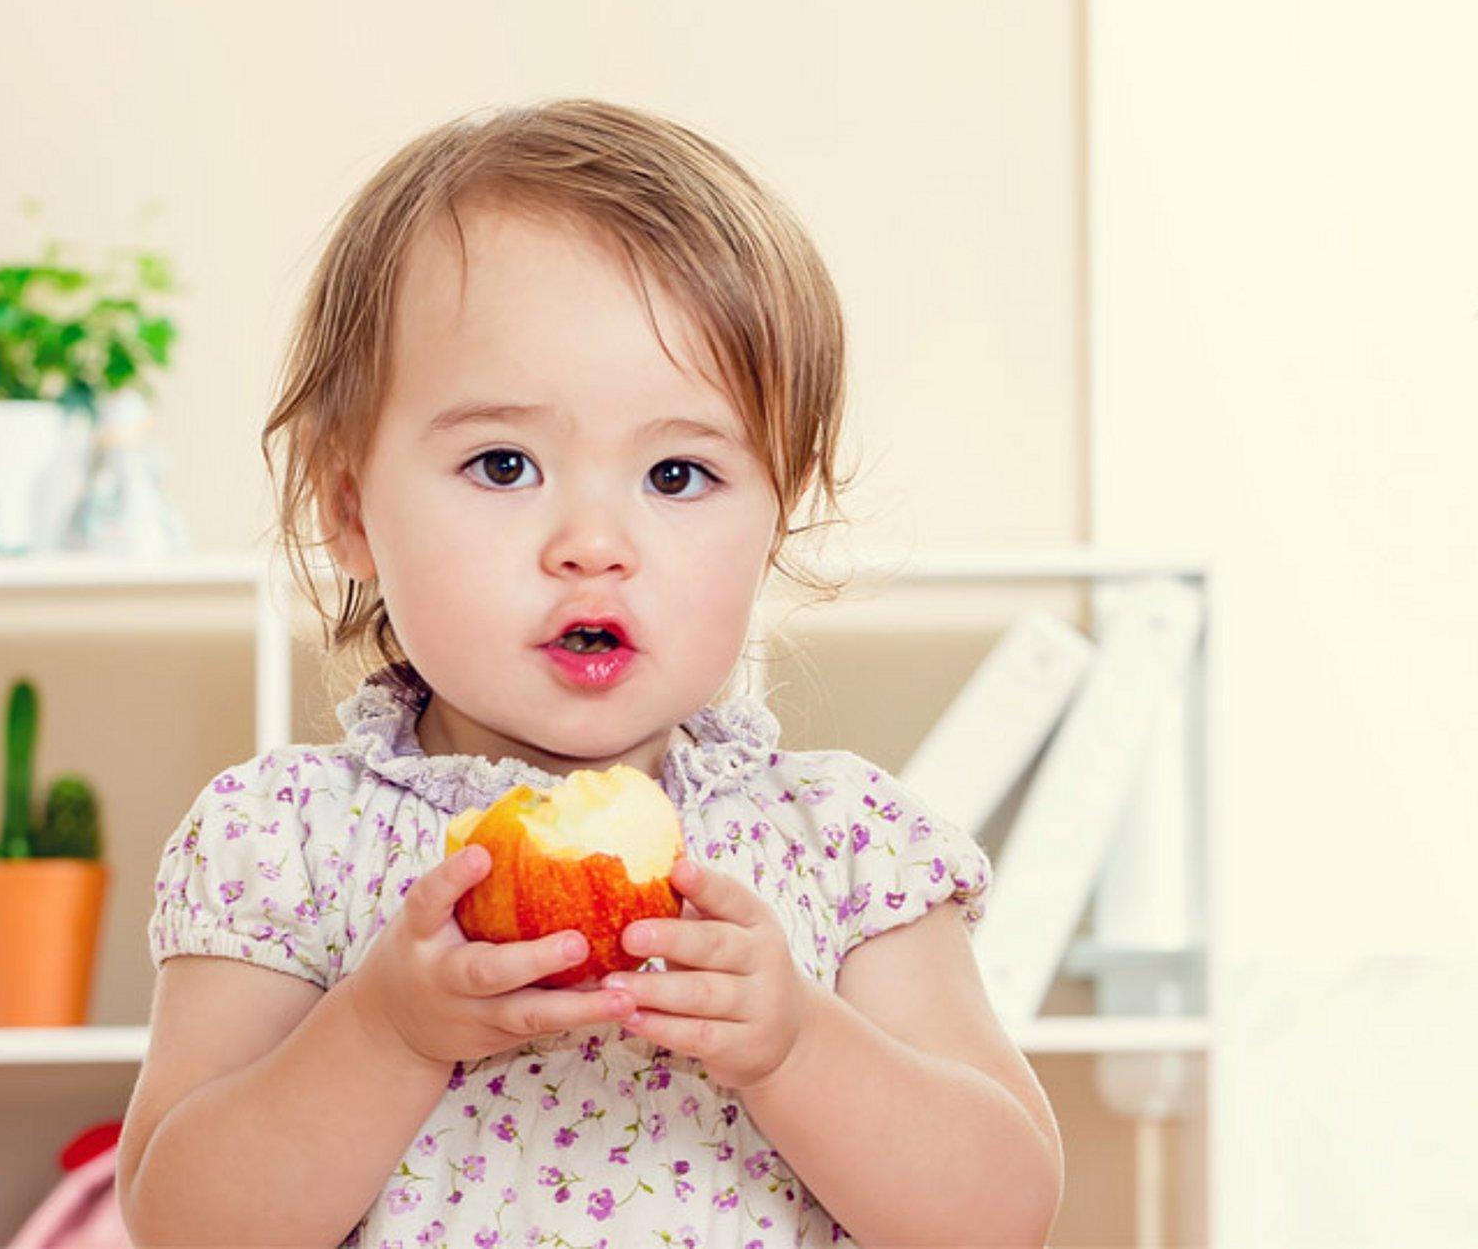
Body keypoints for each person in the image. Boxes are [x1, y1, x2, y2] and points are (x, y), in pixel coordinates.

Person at [116, 99, 1063, 1248]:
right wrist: (384, 1031)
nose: (593, 541)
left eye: (676, 474)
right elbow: (185, 1225)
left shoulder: (842, 841)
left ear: (780, 511)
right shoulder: (286, 839)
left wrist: (800, 1044)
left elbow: (999, 1215)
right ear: (351, 507)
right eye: (503, 462)